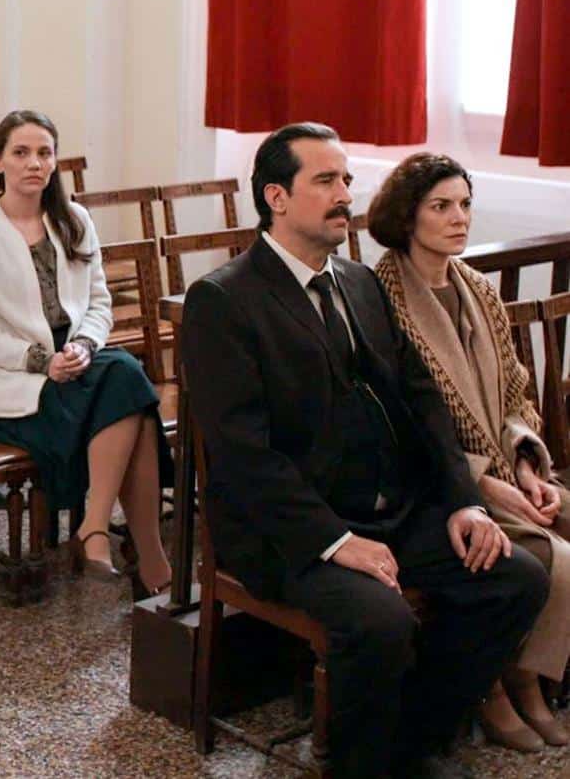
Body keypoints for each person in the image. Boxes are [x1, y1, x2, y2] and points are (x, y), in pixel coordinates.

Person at [181, 122, 549, 779]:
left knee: (515, 578)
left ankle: (408, 743)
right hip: (289, 530)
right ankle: (359, 765)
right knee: (380, 620)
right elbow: (244, 456)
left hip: (387, 512)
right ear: (276, 197)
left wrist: (463, 503)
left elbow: (423, 402)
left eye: (346, 180)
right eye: (325, 180)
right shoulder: (224, 299)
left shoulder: (358, 282)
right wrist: (334, 541)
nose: (345, 195)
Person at [369, 152, 570, 752]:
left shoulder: (477, 288)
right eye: (441, 206)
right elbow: (404, 426)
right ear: (407, 217)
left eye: (464, 204)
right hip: (441, 485)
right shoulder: (383, 298)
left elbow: (514, 392)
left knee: (564, 515)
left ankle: (531, 675)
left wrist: (527, 464)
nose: (459, 218)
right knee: (547, 555)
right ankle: (507, 685)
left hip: (506, 464)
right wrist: (482, 481)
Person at [0, 110, 172, 598]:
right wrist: (40, 361)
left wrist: (84, 346)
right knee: (130, 393)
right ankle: (139, 551)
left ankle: (97, 529)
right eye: (21, 152)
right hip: (16, 381)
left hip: (78, 359)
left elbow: (99, 302)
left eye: (45, 153)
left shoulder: (74, 218)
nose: (35, 163)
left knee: (122, 376)